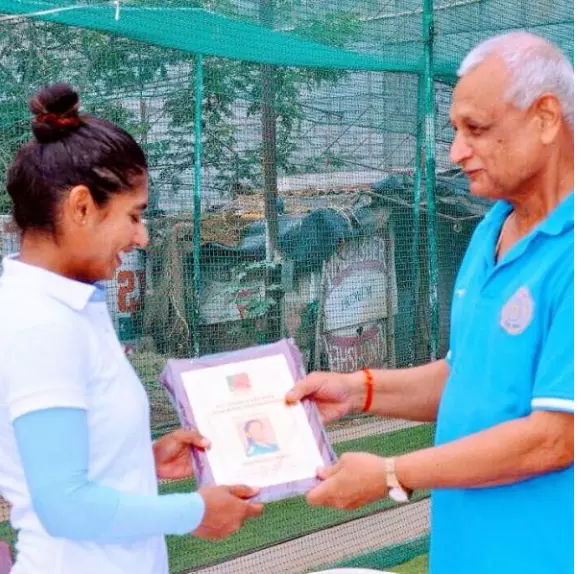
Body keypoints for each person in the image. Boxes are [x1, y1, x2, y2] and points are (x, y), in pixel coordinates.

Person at [287, 32, 574, 574]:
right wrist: (358, 390)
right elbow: (465, 377)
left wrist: (392, 472)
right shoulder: (493, 229)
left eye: (477, 129)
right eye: (455, 131)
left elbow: (552, 440)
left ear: (544, 118)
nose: (457, 152)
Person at [0, 83, 263, 574]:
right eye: (134, 215)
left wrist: (142, 462)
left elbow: (67, 463)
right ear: (81, 207)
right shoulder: (38, 323)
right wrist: (195, 511)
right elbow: (64, 505)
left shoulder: (68, 308)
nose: (142, 237)